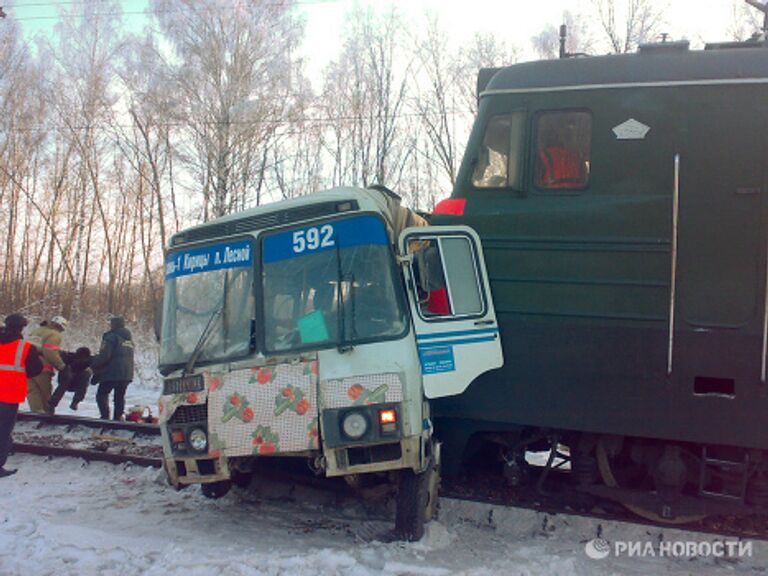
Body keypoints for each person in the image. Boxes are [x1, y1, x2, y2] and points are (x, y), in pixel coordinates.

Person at [0, 314, 43, 477]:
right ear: (22, 328)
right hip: (9, 395)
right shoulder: (25, 347)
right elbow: (36, 369)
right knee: (3, 431)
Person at [91, 316, 134, 420]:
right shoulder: (129, 340)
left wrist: (94, 365)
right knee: (119, 397)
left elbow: (105, 355)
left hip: (111, 372)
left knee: (102, 394)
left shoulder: (111, 337)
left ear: (114, 325)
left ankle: (105, 417)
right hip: (126, 374)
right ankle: (118, 419)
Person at [26, 316, 68, 413]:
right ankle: (47, 416)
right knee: (45, 393)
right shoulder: (54, 334)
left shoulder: (36, 331)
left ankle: (36, 414)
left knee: (32, 392)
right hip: (42, 367)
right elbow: (49, 351)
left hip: (27, 366)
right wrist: (61, 365)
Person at [48, 347, 92, 413]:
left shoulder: (89, 361)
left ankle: (75, 402)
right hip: (65, 381)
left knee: (87, 373)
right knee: (68, 372)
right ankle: (52, 404)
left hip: (76, 384)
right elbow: (57, 354)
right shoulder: (69, 357)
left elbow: (100, 362)